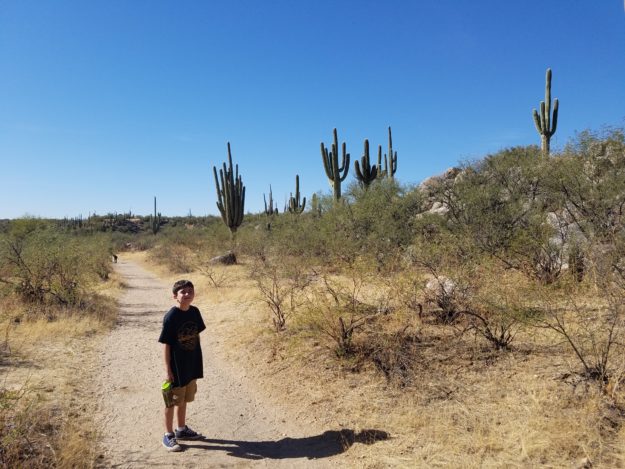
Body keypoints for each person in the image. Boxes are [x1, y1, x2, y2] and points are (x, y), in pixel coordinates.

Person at [158, 279, 206, 451]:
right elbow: (166, 345)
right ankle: (168, 434)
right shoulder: (171, 317)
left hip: (191, 364)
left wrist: (194, 362)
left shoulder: (194, 312)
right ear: (175, 296)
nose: (187, 294)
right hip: (176, 366)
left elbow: (194, 335)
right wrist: (168, 370)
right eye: (183, 292)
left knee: (184, 397)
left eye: (190, 291)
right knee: (171, 401)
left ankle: (181, 429)